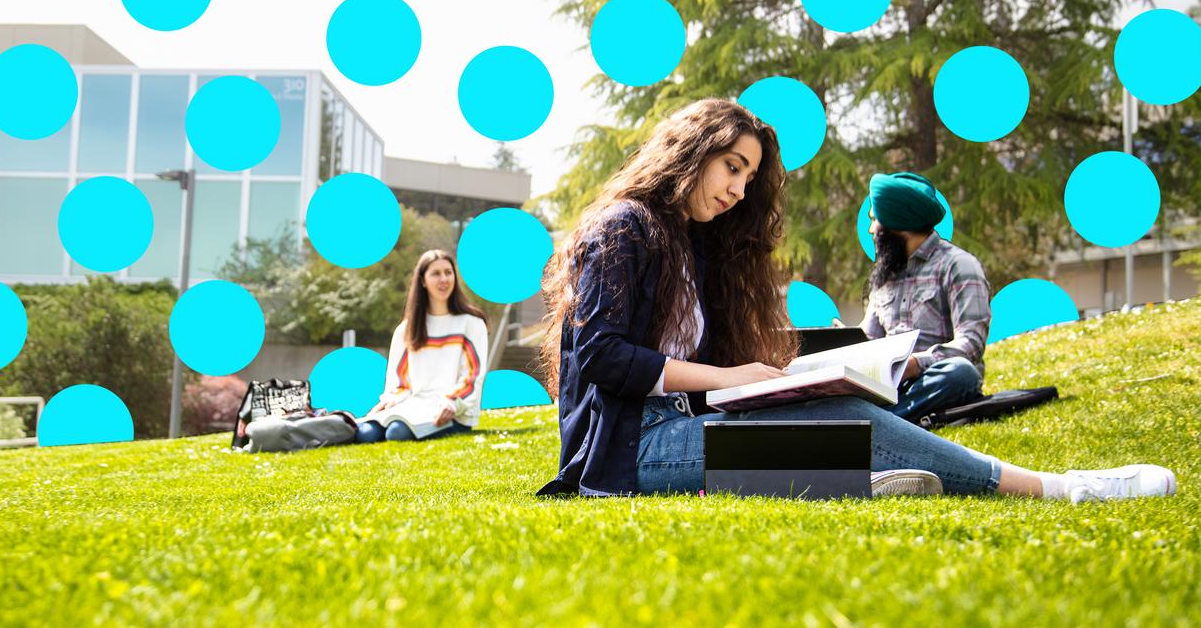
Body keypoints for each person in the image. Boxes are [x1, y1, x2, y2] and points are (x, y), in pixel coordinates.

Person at [536, 98, 1176, 503]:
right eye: (731, 166)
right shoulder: (624, 227)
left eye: (749, 177)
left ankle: (862, 480)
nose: (738, 190)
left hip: (680, 427)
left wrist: (777, 381)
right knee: (845, 433)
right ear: (691, 153)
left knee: (842, 410)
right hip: (628, 449)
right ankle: (1059, 489)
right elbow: (602, 357)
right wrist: (729, 378)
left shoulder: (694, 245)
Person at [860, 171, 988, 422]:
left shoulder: (958, 265)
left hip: (932, 380)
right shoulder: (886, 274)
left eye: (875, 220)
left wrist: (914, 364)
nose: (870, 229)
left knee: (961, 372)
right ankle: (887, 419)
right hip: (890, 386)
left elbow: (971, 344)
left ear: (898, 223)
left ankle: (880, 422)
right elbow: (869, 337)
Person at [357, 249, 489, 443]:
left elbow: (472, 377)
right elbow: (399, 381)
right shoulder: (407, 329)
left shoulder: (471, 323)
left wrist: (452, 402)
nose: (444, 279)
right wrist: (390, 399)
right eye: (436, 273)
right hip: (414, 406)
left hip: (452, 411)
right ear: (423, 281)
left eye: (448, 272)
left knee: (396, 433)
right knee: (366, 433)